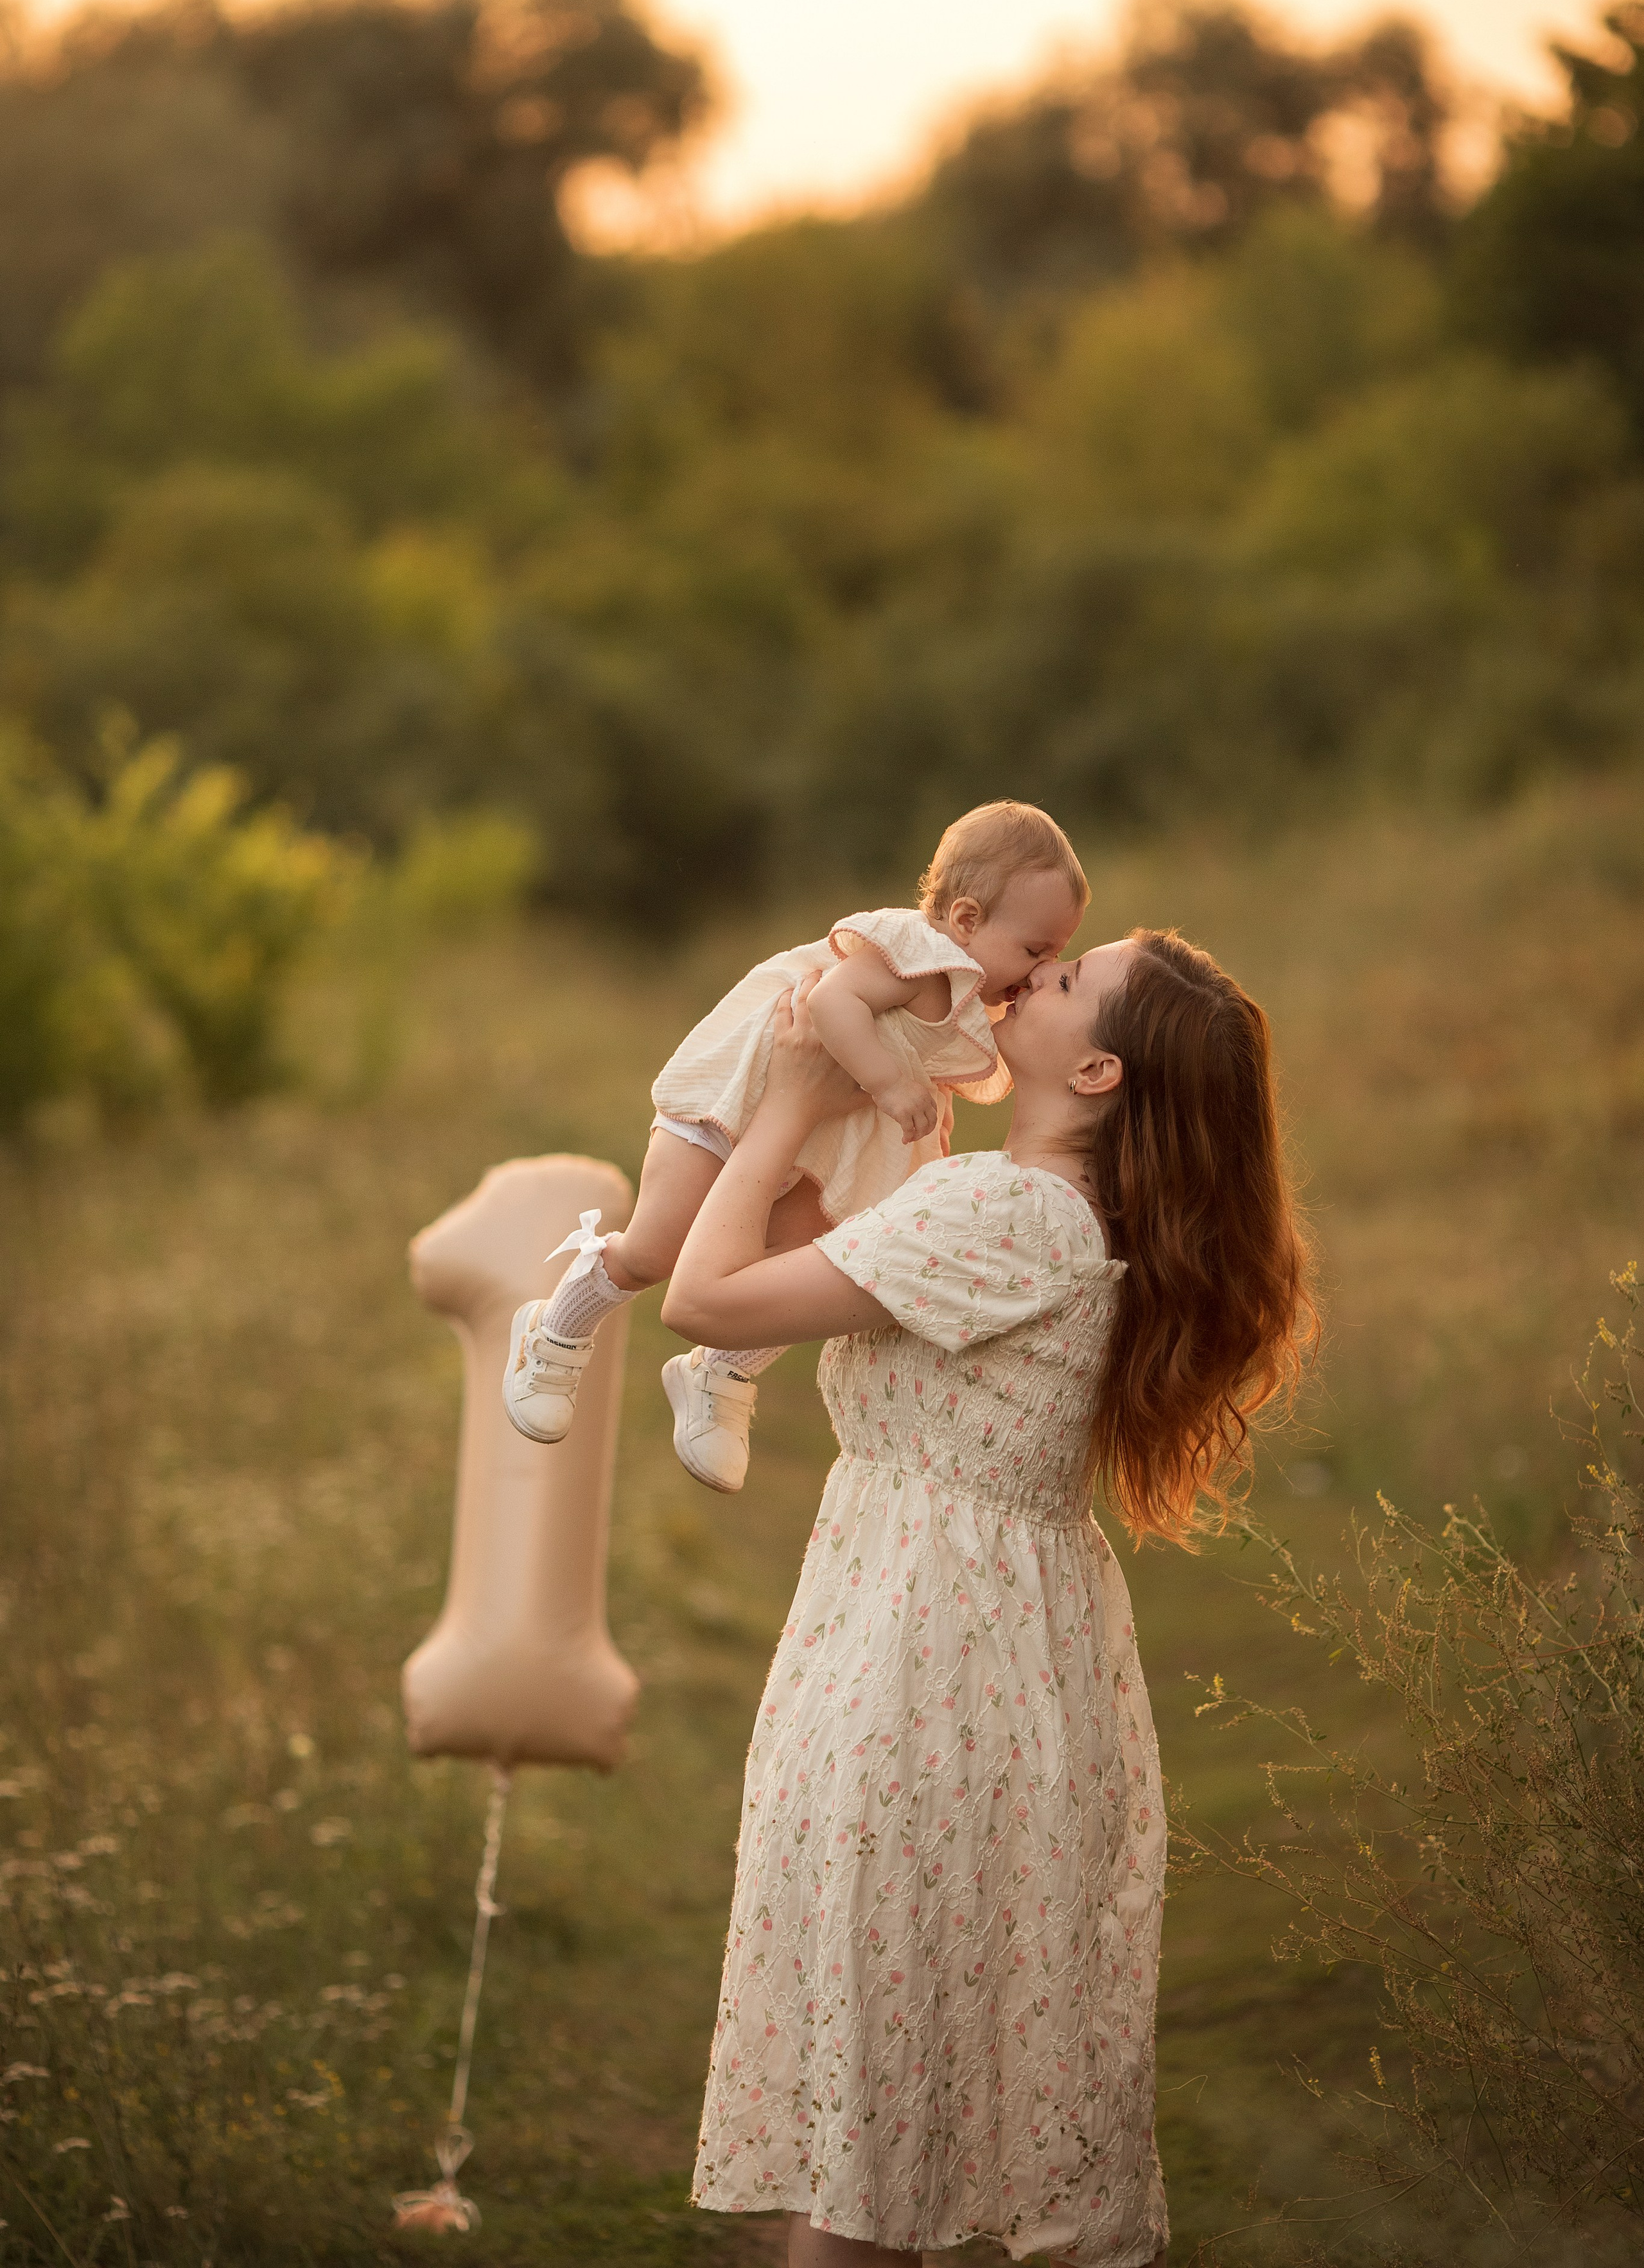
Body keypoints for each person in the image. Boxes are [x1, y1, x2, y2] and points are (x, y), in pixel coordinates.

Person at [662, 929, 1315, 2267]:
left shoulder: (1007, 1214)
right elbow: (842, 1271)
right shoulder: (1039, 1209)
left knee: (869, 2119)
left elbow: (703, 1299)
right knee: (896, 2091)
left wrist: (787, 1098)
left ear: (1095, 1070)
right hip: (980, 1651)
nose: (1034, 971)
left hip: (919, 1663)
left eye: (1071, 981)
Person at [503, 802, 1089, 1491]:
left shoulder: (968, 991)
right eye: (1035, 950)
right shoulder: (915, 953)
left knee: (813, 1255)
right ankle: (556, 1328)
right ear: (965, 920)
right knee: (657, 1247)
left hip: (829, 1135)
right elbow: (831, 1004)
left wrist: (925, 1115)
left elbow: (927, 1058)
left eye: (1057, 953)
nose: (1044, 968)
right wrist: (889, 1082)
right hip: (742, 1100)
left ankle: (719, 1371)